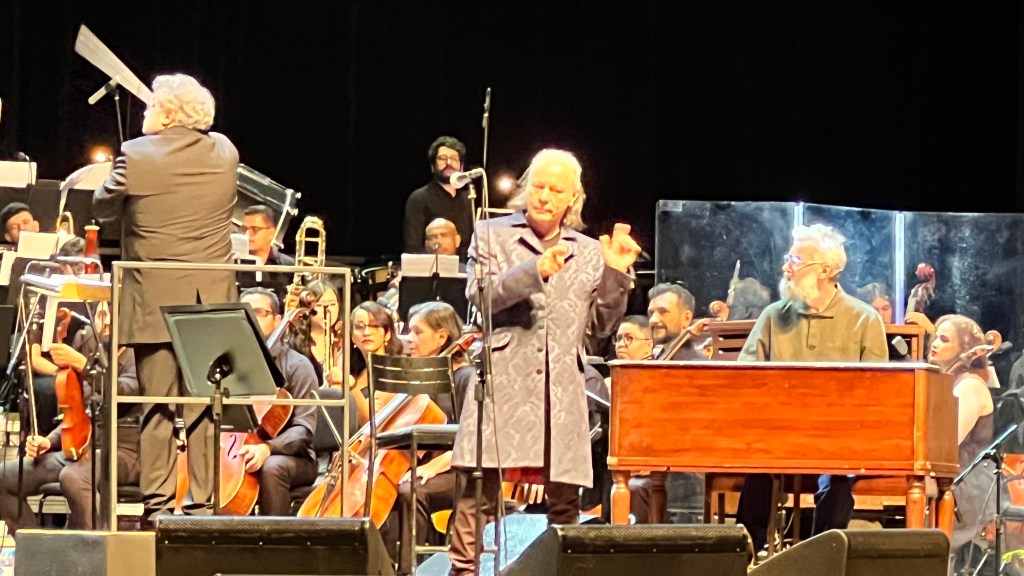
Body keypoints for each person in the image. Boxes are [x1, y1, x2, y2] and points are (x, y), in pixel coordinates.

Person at [447, 148, 640, 575]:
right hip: (502, 381)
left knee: (565, 502)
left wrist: (615, 274)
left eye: (556, 189)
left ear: (573, 198)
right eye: (538, 186)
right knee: (476, 497)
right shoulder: (491, 234)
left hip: (560, 387)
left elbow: (599, 329)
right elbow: (480, 298)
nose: (545, 196)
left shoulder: (588, 250)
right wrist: (534, 269)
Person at [92, 73, 238, 521]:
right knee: (204, 404)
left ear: (169, 115)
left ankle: (156, 504)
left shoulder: (137, 154)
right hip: (209, 300)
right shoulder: (226, 151)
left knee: (156, 404)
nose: (145, 112)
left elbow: (102, 207)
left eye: (152, 105)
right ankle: (202, 503)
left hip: (154, 298)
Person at [735, 223, 887, 553]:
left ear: (825, 270)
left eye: (795, 259)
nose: (785, 267)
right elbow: (745, 378)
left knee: (837, 480)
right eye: (788, 258)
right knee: (757, 471)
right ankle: (746, 557)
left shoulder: (864, 318)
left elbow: (876, 392)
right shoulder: (773, 315)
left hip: (839, 437)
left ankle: (821, 558)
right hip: (779, 434)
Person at [0, 330, 140, 534]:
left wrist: (85, 367)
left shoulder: (137, 357)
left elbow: (125, 391)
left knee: (74, 476)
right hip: (81, 450)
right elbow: (78, 415)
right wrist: (49, 441)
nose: (104, 322)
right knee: (4, 477)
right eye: (100, 316)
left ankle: (96, 550)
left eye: (108, 316)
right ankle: (37, 547)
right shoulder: (95, 354)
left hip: (124, 452)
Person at [380, 301, 473, 575]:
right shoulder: (423, 377)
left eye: (417, 332)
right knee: (386, 487)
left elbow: (468, 438)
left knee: (411, 490)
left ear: (442, 337)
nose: (409, 339)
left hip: (460, 469)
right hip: (428, 466)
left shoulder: (466, 377)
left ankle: (411, 570)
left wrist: (432, 467)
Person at [237, 288, 318, 515]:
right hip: (239, 448)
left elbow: (304, 430)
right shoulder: (231, 364)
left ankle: (276, 535)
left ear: (277, 319)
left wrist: (268, 448)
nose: (251, 319)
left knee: (272, 467)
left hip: (293, 457)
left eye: (259, 312)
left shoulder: (298, 366)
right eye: (244, 313)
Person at [926, 315, 996, 563]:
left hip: (967, 487)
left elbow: (947, 442)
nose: (935, 343)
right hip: (952, 481)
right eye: (936, 337)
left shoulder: (969, 387)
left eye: (945, 339)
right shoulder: (951, 381)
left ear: (965, 349)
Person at [403, 136, 474, 258]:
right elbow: (413, 247)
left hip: (465, 267)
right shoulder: (419, 198)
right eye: (442, 158)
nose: (449, 163)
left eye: (454, 159)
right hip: (431, 267)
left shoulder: (468, 199)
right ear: (432, 166)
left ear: (461, 167)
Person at [237, 204, 295, 300]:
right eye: (244, 229)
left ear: (272, 232)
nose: (247, 234)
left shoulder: (289, 266)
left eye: (255, 229)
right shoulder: (231, 264)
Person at [647, 283, 701, 360]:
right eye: (651, 313)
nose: (653, 320)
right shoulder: (660, 357)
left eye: (663, 312)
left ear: (686, 318)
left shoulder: (694, 364)